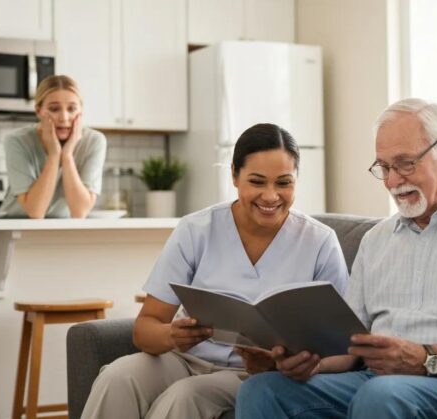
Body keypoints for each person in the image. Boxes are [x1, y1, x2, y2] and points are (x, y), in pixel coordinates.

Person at [236, 98, 437, 418]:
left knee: (381, 394)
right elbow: (348, 350)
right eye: (384, 167)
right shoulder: (376, 239)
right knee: (262, 389)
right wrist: (306, 362)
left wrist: (426, 358)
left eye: (406, 163)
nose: (392, 181)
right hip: (375, 383)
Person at [80, 123, 350, 419]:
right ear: (234, 175)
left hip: (250, 375)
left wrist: (296, 362)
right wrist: (172, 335)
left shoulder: (319, 242)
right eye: (257, 182)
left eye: (284, 183)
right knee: (117, 377)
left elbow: (345, 348)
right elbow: (145, 329)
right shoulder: (196, 230)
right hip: (182, 358)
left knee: (185, 397)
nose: (271, 196)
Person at [0, 75, 106, 218]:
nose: (64, 117)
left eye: (72, 109)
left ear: (81, 111)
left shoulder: (94, 141)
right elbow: (35, 212)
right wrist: (54, 154)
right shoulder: (17, 141)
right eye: (54, 109)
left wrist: (67, 155)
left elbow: (80, 211)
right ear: (39, 111)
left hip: (62, 231)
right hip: (15, 228)